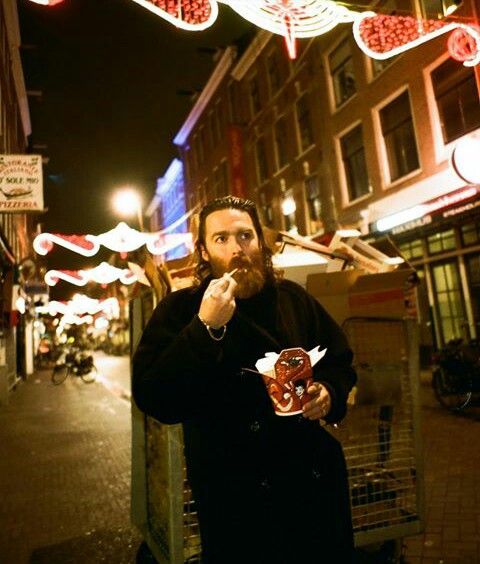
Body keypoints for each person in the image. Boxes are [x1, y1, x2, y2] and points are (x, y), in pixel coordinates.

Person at [132, 196, 357, 563]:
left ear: (260, 243)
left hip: (310, 485)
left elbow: (339, 360)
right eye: (221, 239)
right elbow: (154, 395)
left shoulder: (292, 299)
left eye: (245, 236)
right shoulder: (181, 309)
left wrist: (329, 393)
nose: (237, 249)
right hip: (235, 498)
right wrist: (205, 329)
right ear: (203, 251)